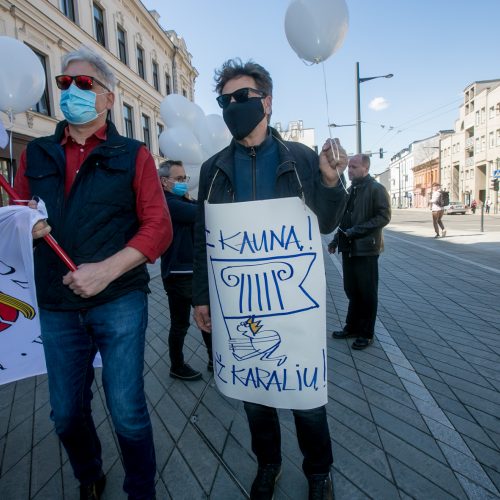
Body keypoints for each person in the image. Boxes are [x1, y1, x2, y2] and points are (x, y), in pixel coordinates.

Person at [14, 46, 172, 500]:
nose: (71, 91)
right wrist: (24, 221)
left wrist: (107, 270)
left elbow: (158, 227)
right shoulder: (37, 153)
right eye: (64, 84)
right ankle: (89, 475)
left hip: (119, 299)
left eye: (84, 84)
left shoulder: (134, 154)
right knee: (65, 413)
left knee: (126, 410)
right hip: (57, 302)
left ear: (107, 98)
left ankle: (141, 489)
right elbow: (18, 211)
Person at [192, 58, 348, 500]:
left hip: (293, 305)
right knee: (254, 395)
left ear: (268, 102)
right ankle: (269, 464)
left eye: (243, 97)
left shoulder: (299, 158)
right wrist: (201, 296)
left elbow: (328, 221)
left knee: (306, 398)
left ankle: (319, 470)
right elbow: (202, 240)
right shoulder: (213, 169)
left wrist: (331, 181)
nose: (233, 106)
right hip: (240, 303)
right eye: (225, 100)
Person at [329, 154, 391, 350]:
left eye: (354, 167)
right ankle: (352, 327)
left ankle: (366, 333)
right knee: (352, 291)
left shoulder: (376, 189)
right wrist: (335, 240)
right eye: (349, 168)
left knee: (367, 293)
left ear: (365, 168)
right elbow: (345, 220)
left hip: (366, 249)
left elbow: (383, 216)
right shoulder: (352, 189)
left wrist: (355, 232)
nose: (350, 170)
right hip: (349, 248)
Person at [158, 160, 212, 381]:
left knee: (206, 316)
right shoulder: (167, 203)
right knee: (180, 323)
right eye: (179, 179)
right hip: (178, 273)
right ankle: (177, 365)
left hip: (192, 271)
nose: (183, 183)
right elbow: (202, 212)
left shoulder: (181, 199)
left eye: (184, 179)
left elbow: (198, 207)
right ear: (164, 182)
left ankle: (213, 359)